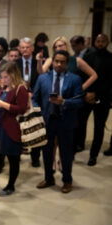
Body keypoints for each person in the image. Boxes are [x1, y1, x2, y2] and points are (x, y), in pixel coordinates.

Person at [33, 50, 83, 194]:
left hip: (65, 121)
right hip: (47, 120)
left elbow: (80, 101)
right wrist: (38, 112)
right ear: (52, 61)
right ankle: (49, 178)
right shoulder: (43, 78)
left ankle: (67, 180)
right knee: (47, 151)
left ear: (67, 63)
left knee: (66, 153)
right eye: (57, 61)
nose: (59, 64)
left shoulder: (74, 79)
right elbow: (35, 97)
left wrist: (64, 101)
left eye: (62, 62)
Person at [0, 62, 29, 195]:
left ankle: (11, 185)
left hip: (11, 129)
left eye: (6, 77)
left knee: (13, 158)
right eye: (2, 77)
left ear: (13, 75)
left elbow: (21, 109)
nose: (3, 80)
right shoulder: (3, 88)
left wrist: (2, 104)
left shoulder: (20, 88)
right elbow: (0, 106)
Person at [80, 34, 112, 165]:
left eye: (103, 41)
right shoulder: (88, 56)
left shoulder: (111, 58)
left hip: (103, 98)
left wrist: (96, 94)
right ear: (94, 42)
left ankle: (93, 155)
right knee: (80, 123)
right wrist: (86, 93)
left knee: (98, 128)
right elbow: (82, 76)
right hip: (86, 96)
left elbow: (110, 81)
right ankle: (78, 145)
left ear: (107, 42)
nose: (100, 43)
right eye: (98, 41)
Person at [16, 37, 41, 167]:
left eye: (27, 47)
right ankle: (18, 152)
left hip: (36, 99)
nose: (25, 49)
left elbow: (41, 78)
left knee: (35, 127)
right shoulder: (16, 62)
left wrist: (33, 93)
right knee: (20, 127)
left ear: (32, 48)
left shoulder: (37, 62)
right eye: (22, 47)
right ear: (19, 49)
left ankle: (35, 157)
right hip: (20, 98)